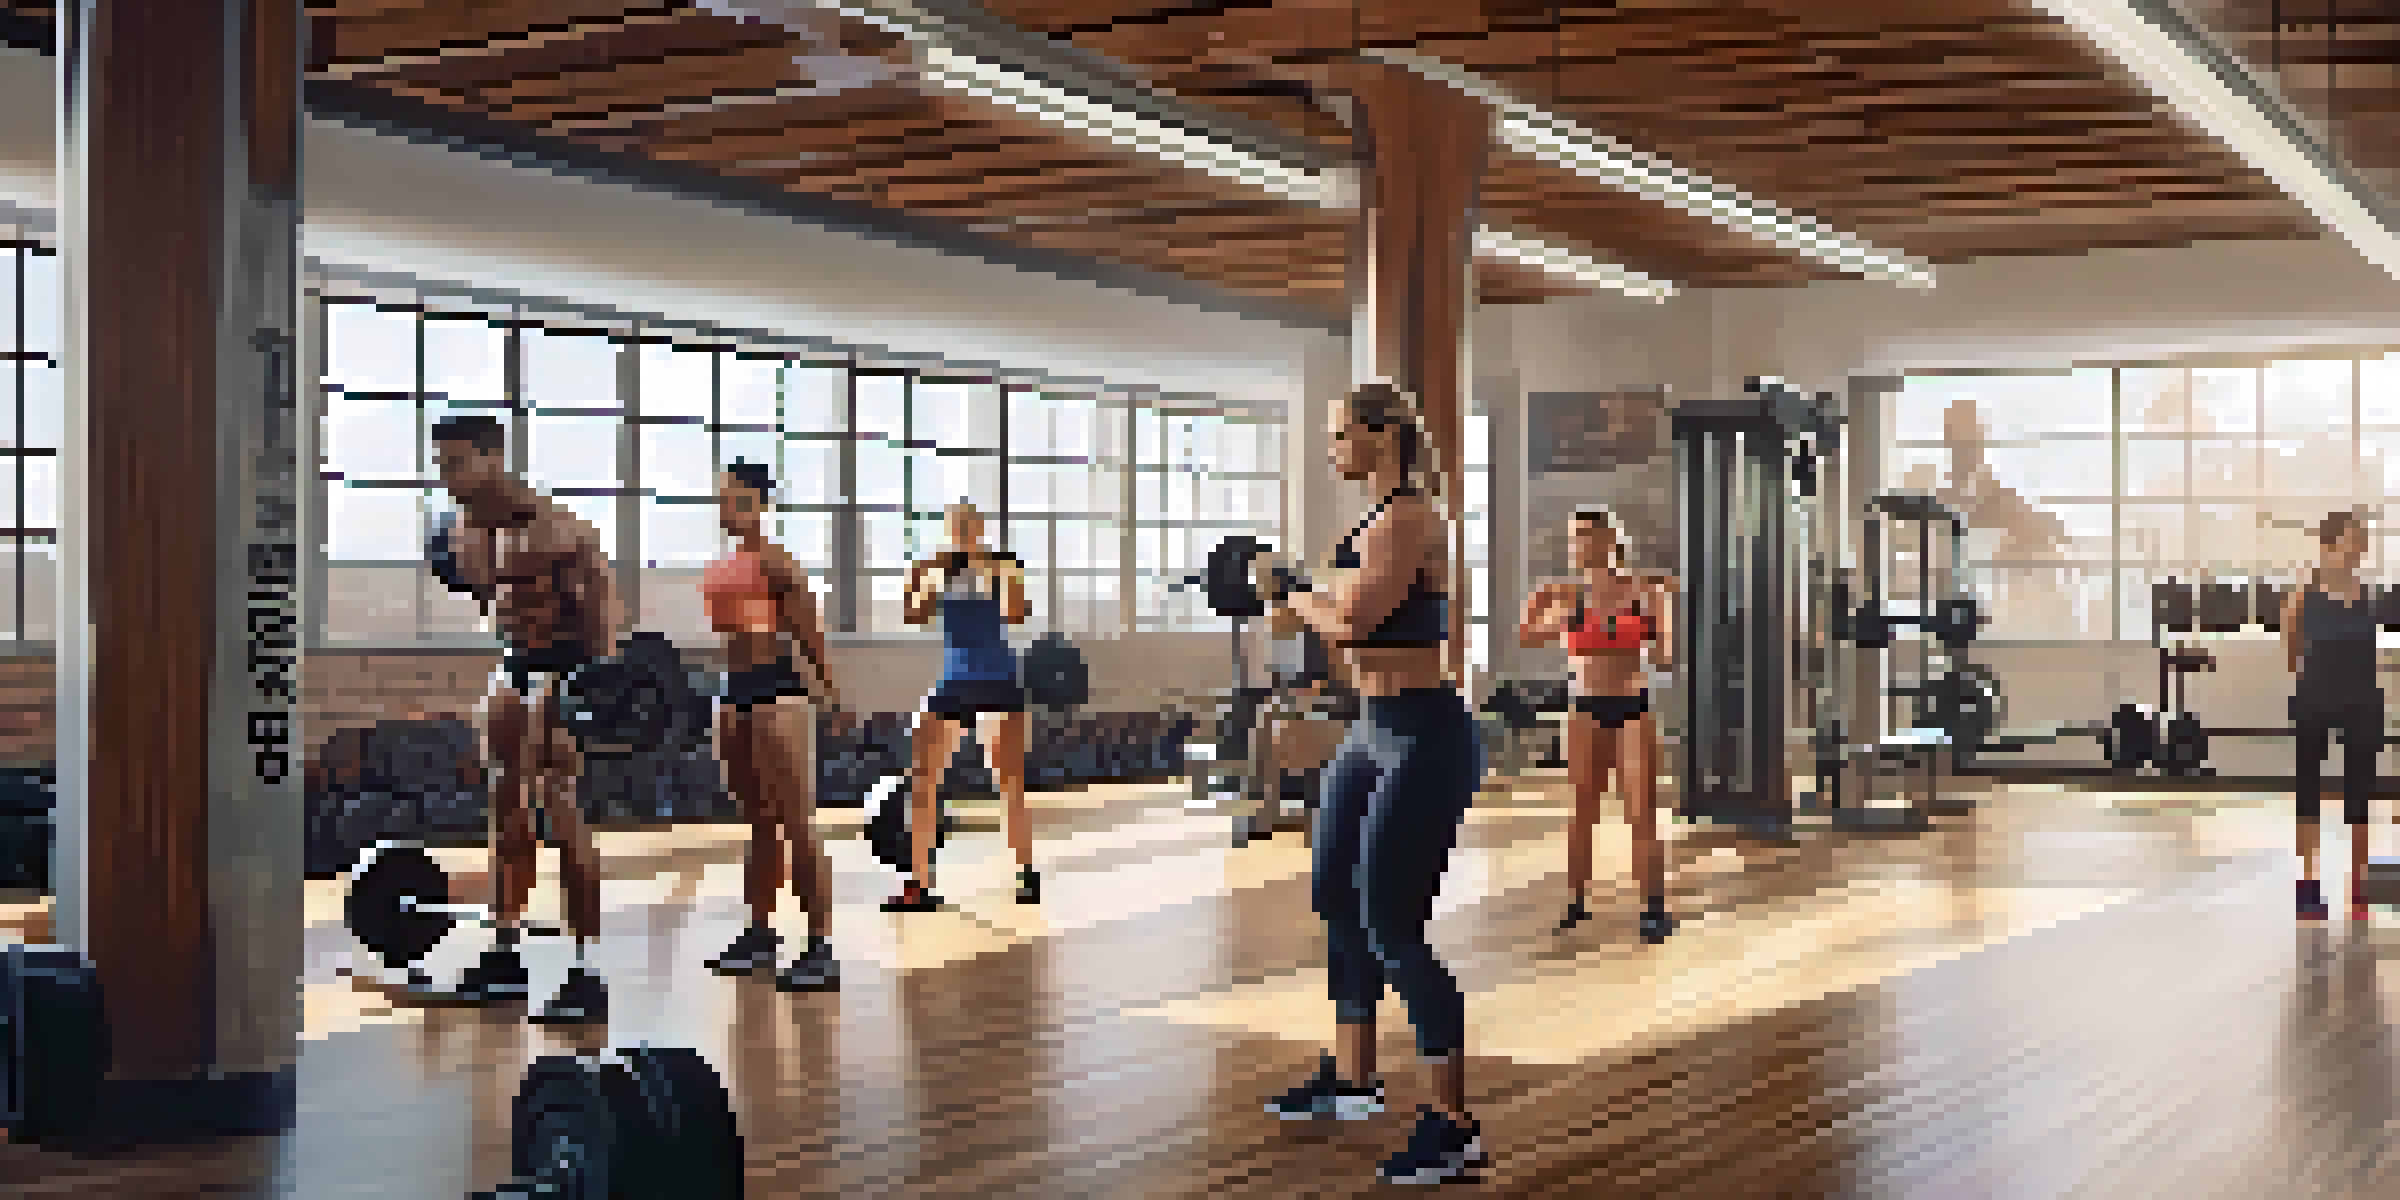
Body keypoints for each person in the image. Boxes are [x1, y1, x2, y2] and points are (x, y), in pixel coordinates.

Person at [1261, 382, 1486, 1185]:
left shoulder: (1412, 519)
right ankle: (1354, 1079)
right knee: (1335, 900)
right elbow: (1328, 627)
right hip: (1368, 733)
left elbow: (1353, 618)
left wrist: (1293, 591)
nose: (1333, 451)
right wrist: (1289, 604)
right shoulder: (1364, 523)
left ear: (1381, 434)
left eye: (1340, 436)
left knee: (1393, 922)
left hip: (1425, 735)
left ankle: (1454, 1124)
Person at [428, 415, 618, 1025]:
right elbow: (489, 601)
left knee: (562, 817)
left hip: (567, 674)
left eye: (458, 463)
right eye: (442, 464)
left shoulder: (564, 532)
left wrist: (580, 695)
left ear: (493, 459)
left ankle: (586, 973)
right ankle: (504, 953)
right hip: (511, 673)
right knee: (504, 819)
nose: (448, 477)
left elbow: (604, 633)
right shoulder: (459, 533)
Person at [701, 461, 846, 989]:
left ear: (759, 503)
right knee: (758, 821)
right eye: (719, 497)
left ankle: (820, 947)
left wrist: (832, 696)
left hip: (777, 692)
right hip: (732, 694)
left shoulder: (779, 563)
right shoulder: (723, 565)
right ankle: (760, 936)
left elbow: (811, 636)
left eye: (733, 498)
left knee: (796, 822)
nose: (723, 507)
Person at [1516, 507, 1679, 942]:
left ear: (1610, 540)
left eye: (1587, 535)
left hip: (1632, 705)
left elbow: (1665, 654)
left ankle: (1654, 907)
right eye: (1573, 537)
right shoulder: (1560, 592)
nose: (1578, 545)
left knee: (1641, 811)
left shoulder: (1645, 588)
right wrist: (1573, 622)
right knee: (1582, 811)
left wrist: (1643, 626)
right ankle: (1575, 901)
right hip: (1585, 706)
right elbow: (1525, 634)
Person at [884, 502, 1037, 912]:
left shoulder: (1004, 564)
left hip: (1000, 680)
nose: (964, 531)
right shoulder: (939, 572)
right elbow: (913, 615)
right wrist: (916, 575)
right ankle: (919, 883)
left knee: (1009, 782)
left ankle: (1026, 872)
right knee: (922, 778)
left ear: (981, 528)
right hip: (955, 682)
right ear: (949, 529)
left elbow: (1017, 614)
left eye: (970, 524)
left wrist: (993, 570)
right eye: (957, 525)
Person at [2282, 509, 2382, 922]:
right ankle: (2310, 885)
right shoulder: (2301, 598)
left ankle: (2358, 887)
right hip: (2314, 698)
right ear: (2328, 547)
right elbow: (2291, 656)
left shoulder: (2369, 596)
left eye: (2360, 542)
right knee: (2308, 791)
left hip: (2361, 700)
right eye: (2350, 541)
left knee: (2361, 792)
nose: (2357, 549)